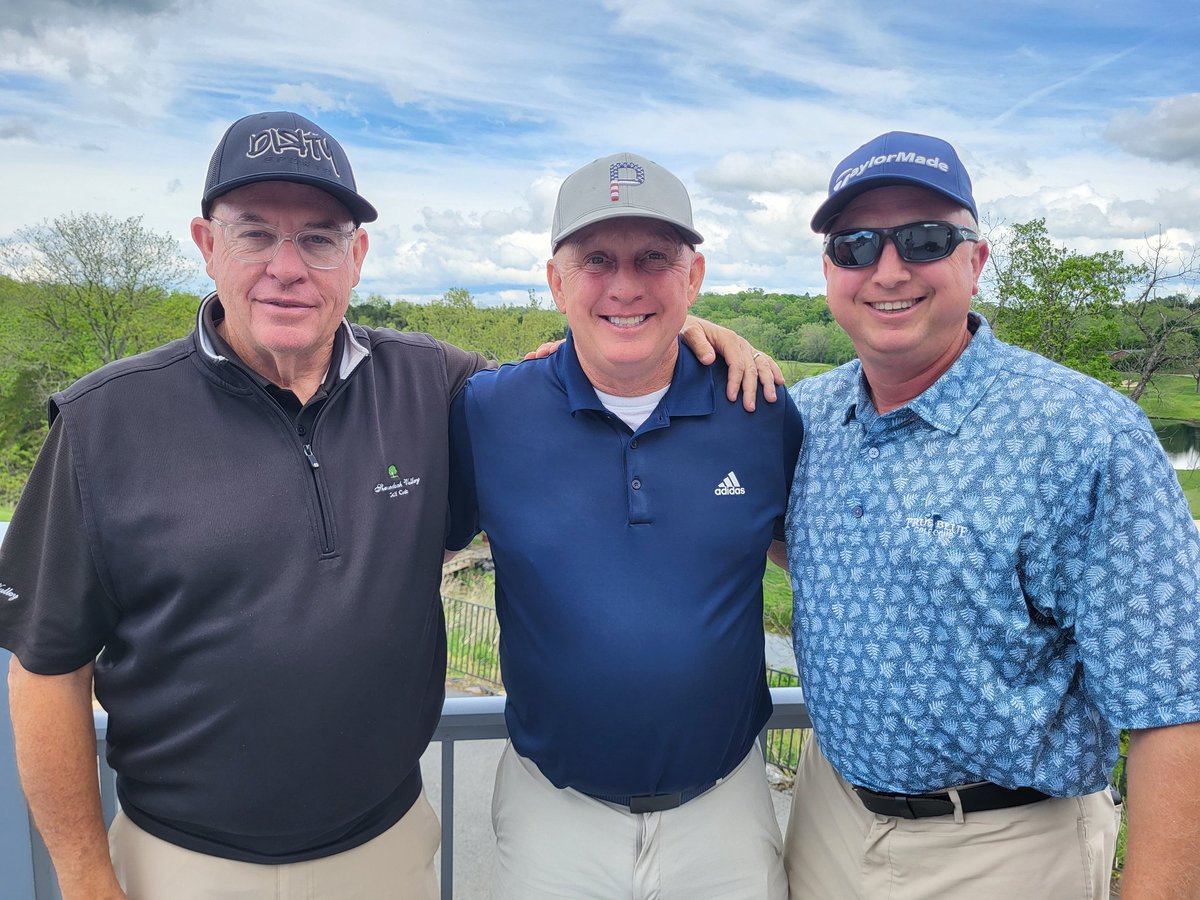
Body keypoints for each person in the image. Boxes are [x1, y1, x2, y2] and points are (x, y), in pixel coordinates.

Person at [0, 113, 775, 900]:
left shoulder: (434, 385)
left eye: (320, 239)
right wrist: (87, 879)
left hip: (385, 850)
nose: (287, 268)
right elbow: (43, 667)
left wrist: (681, 337)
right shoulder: (108, 421)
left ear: (357, 255)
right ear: (206, 245)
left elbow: (606, 355)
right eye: (255, 235)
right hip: (183, 860)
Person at [778, 130, 1200, 899]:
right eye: (857, 245)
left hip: (1006, 846)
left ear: (976, 259)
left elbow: (1174, 706)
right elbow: (788, 542)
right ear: (831, 270)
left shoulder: (1084, 436)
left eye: (926, 239)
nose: (889, 269)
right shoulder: (799, 418)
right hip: (827, 821)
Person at [447, 152, 803, 899]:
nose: (626, 284)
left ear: (693, 275)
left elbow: (801, 552)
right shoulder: (487, 412)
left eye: (654, 259)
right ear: (556, 282)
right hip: (553, 813)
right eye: (597, 259)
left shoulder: (761, 409)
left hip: (726, 810)